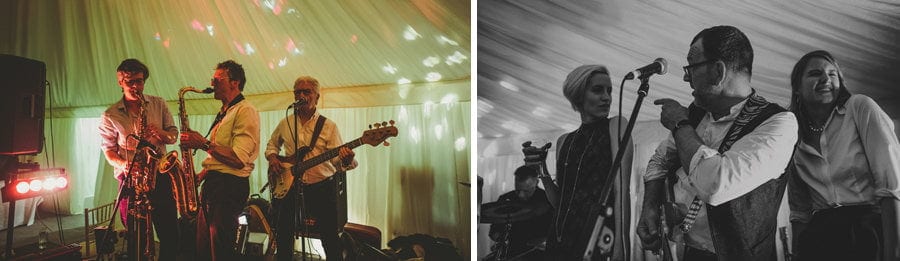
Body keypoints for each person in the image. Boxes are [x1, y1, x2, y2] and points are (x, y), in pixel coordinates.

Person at [637, 25, 799, 261]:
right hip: (688, 252)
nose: (685, 77)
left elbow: (715, 185)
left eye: (691, 66)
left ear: (718, 71)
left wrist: (680, 126)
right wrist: (649, 206)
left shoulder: (778, 124)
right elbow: (660, 159)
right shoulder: (695, 114)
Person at [787, 50, 900, 261]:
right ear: (797, 89)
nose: (825, 79)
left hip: (868, 230)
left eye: (832, 74)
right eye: (815, 73)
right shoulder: (790, 132)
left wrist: (894, 253)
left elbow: (891, 185)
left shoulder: (859, 107)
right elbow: (799, 210)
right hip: (819, 238)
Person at [538, 64, 633, 260]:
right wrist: (541, 169)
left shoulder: (616, 126)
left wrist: (622, 246)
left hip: (597, 238)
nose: (606, 97)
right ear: (579, 95)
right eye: (598, 90)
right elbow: (560, 202)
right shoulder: (564, 141)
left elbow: (622, 193)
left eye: (609, 91)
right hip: (559, 238)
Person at [265, 76, 357, 261]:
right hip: (290, 185)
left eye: (306, 91)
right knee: (283, 234)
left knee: (329, 237)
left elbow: (338, 163)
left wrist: (347, 159)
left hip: (321, 186)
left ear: (317, 97)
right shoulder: (286, 122)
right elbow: (271, 145)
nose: (301, 95)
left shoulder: (328, 126)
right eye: (297, 92)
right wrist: (273, 158)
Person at [99, 58, 180, 260]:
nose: (136, 86)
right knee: (136, 236)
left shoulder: (158, 104)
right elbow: (109, 151)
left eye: (140, 81)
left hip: (159, 176)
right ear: (120, 82)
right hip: (130, 180)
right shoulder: (110, 115)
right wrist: (125, 164)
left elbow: (173, 135)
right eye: (130, 82)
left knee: (170, 232)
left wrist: (160, 132)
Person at [180, 60, 260, 260]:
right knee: (204, 248)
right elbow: (221, 158)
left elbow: (239, 158)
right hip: (214, 185)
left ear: (235, 82)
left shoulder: (245, 110)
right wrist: (201, 175)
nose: (211, 83)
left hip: (229, 188)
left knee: (220, 250)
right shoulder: (226, 112)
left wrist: (203, 144)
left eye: (217, 79)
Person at [486, 165, 552, 260]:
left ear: (536, 182)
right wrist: (499, 239)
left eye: (527, 191)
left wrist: (544, 240)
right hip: (511, 251)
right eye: (518, 190)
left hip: (538, 253)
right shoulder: (505, 199)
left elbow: (556, 232)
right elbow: (494, 231)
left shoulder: (548, 200)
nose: (521, 195)